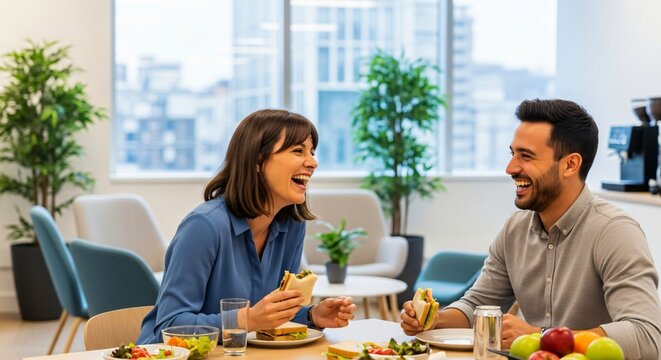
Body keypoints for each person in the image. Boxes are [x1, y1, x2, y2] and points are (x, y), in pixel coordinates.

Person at [400, 99, 661, 359]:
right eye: (512, 153)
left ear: (570, 164)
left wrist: (542, 337)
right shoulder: (514, 229)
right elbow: (476, 306)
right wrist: (434, 320)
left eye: (526, 156)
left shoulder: (614, 231)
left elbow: (647, 335)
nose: (511, 168)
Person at [138, 109, 356, 343]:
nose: (313, 162)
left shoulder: (292, 226)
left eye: (312, 152)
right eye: (298, 151)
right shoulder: (204, 226)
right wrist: (247, 320)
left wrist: (313, 316)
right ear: (257, 161)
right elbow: (170, 325)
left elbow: (270, 315)